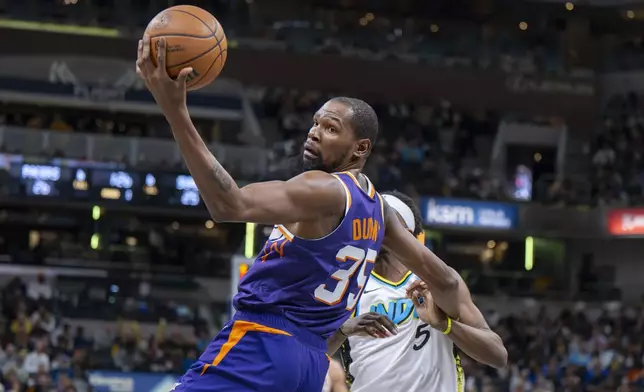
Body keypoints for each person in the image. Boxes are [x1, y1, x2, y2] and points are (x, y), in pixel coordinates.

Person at [137, 35, 460, 392]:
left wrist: (174, 110)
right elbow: (444, 279)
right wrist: (444, 319)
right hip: (310, 360)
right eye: (316, 123)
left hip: (261, 344)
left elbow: (229, 204)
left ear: (360, 148)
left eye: (331, 128)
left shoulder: (324, 188)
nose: (314, 133)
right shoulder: (378, 209)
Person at [327, 191, 508, 392]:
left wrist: (444, 324)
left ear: (405, 231)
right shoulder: (346, 283)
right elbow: (312, 349)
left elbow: (498, 355)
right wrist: (344, 328)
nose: (374, 224)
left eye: (382, 219)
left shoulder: (439, 282)